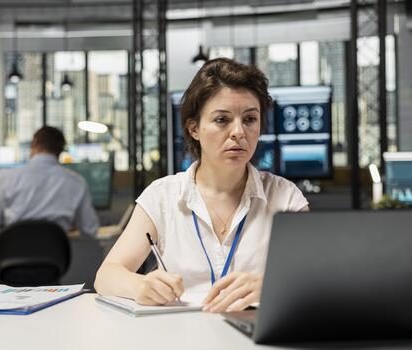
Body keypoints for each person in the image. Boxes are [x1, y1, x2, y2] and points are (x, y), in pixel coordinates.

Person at [94, 58, 309, 312]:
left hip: (256, 335)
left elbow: (318, 278)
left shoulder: (285, 198)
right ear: (194, 128)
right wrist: (139, 285)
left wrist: (270, 285)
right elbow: (106, 275)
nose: (238, 132)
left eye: (250, 119)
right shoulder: (162, 196)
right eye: (222, 120)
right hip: (179, 335)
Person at [0, 126, 99, 237]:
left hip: (12, 257)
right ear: (61, 150)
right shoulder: (77, 183)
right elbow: (90, 230)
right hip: (55, 259)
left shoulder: (8, 178)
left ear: (34, 144)